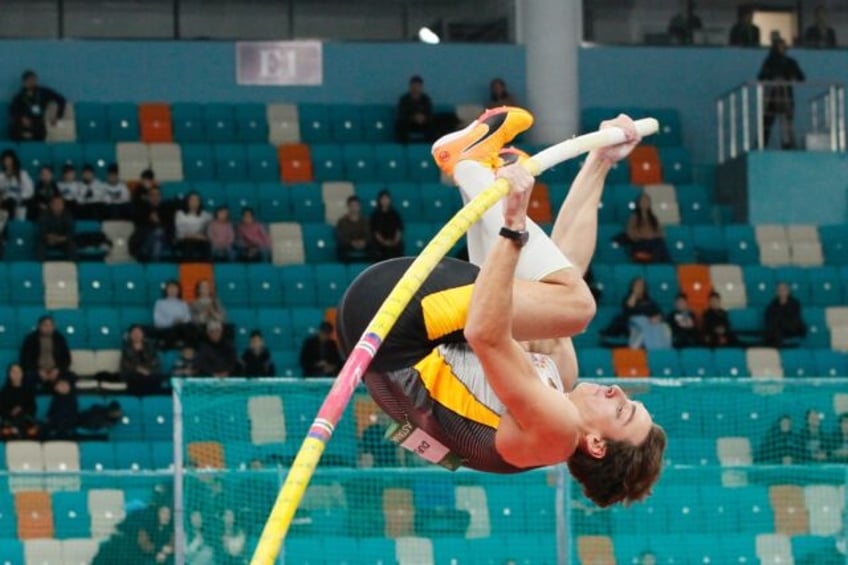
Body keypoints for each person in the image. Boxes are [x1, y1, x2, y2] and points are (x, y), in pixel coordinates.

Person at [338, 108, 665, 507]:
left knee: (577, 307)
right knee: (559, 303)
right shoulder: (558, 381)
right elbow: (564, 266)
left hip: (393, 330)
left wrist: (515, 224)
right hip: (394, 323)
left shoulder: (556, 434)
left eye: (624, 412)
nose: (618, 392)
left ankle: (472, 166)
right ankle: (475, 170)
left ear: (596, 444)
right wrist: (600, 161)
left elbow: (485, 333)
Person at [758, 38, 805, 150]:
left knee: (786, 122)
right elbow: (761, 76)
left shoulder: (790, 62)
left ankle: (787, 145)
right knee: (768, 122)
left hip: (785, 96)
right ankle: (762, 144)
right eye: (779, 46)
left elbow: (801, 77)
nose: (781, 49)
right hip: (772, 96)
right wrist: (773, 78)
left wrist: (789, 79)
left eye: (783, 46)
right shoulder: (769, 61)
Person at [8, 70, 66, 141]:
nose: (32, 82)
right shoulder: (19, 96)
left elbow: (61, 100)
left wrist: (58, 116)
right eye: (29, 81)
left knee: (39, 132)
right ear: (24, 82)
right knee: (14, 130)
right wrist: (20, 119)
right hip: (23, 124)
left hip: (38, 124)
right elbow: (13, 111)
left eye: (33, 80)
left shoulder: (44, 92)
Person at [19, 314, 72, 390]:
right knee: (27, 378)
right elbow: (25, 359)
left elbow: (67, 359)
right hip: (37, 371)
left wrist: (57, 369)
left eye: (51, 325)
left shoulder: (60, 338)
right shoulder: (30, 339)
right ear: (39, 326)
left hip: (55, 371)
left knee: (71, 378)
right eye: (45, 325)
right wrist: (38, 370)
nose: (48, 328)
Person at [620, 278, 672, 350]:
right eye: (637, 285)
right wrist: (634, 294)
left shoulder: (649, 301)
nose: (639, 287)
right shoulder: (628, 298)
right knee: (645, 321)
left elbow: (660, 313)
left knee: (664, 326)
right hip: (635, 322)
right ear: (632, 287)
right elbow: (628, 309)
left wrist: (657, 317)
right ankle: (654, 350)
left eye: (641, 285)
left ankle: (664, 351)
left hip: (652, 322)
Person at [130, 186, 173, 262]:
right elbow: (139, 228)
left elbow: (170, 228)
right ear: (148, 197)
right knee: (157, 243)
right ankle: (154, 265)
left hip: (164, 241)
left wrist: (158, 222)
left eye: (157, 195)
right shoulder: (142, 210)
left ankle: (146, 254)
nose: (155, 197)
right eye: (152, 195)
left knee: (159, 233)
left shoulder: (166, 209)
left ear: (161, 197)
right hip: (145, 240)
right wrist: (149, 219)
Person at [626, 192, 671, 263]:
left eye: (647, 201)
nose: (645, 203)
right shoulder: (634, 217)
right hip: (640, 242)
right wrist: (643, 235)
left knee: (659, 243)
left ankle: (666, 264)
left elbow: (661, 232)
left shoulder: (653, 218)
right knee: (657, 246)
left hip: (653, 241)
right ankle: (661, 263)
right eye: (643, 201)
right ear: (639, 203)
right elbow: (630, 232)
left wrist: (652, 235)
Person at [119, 325, 165, 395]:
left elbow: (155, 362)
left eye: (138, 333)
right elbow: (125, 365)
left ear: (143, 334)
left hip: (149, 373)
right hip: (133, 375)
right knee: (137, 380)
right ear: (130, 335)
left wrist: (148, 371)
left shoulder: (150, 347)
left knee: (154, 379)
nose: (136, 335)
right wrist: (139, 369)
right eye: (134, 333)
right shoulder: (126, 349)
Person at [153, 280, 195, 349]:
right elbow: (157, 321)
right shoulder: (160, 303)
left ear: (178, 290)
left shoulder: (183, 303)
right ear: (166, 290)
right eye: (170, 288)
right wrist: (172, 321)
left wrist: (181, 321)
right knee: (171, 330)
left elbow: (188, 318)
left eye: (175, 288)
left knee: (191, 327)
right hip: (167, 328)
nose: (172, 290)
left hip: (181, 328)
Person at [0, 363, 38, 439]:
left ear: (22, 374)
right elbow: (1, 410)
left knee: (34, 429)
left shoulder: (28, 391)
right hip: (9, 421)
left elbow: (33, 408)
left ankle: (18, 431)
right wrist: (11, 412)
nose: (16, 374)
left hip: (25, 420)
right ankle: (17, 431)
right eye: (13, 372)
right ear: (9, 374)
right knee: (5, 430)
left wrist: (21, 410)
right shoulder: (4, 392)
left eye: (18, 372)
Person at [764, 282, 806, 347]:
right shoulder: (772, 305)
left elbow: (794, 318)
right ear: (776, 292)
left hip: (791, 327)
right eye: (780, 290)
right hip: (778, 329)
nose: (782, 292)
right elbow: (769, 319)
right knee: (774, 328)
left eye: (784, 290)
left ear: (788, 291)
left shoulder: (794, 303)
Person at [395, 75, 433, 143]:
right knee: (400, 125)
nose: (416, 88)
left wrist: (423, 118)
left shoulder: (426, 99)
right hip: (408, 123)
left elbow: (429, 113)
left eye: (418, 86)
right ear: (410, 87)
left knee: (433, 126)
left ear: (421, 87)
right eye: (414, 86)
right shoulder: (404, 99)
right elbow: (401, 114)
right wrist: (413, 118)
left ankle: (429, 146)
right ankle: (404, 147)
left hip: (423, 124)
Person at [37, 194, 76, 261]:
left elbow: (70, 232)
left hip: (62, 240)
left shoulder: (68, 215)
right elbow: (42, 231)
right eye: (55, 204)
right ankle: (41, 265)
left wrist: (59, 239)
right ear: (51, 205)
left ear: (63, 206)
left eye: (60, 204)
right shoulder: (44, 215)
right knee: (40, 244)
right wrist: (49, 237)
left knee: (71, 245)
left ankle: (71, 265)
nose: (57, 206)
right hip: (48, 239)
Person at [175, 192, 211, 261]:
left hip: (199, 240)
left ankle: (206, 269)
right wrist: (196, 236)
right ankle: (187, 269)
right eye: (192, 200)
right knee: (189, 244)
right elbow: (181, 232)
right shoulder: (180, 214)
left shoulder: (204, 215)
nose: (194, 203)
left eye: (197, 200)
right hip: (183, 240)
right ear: (187, 201)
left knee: (207, 244)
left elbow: (216, 220)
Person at [335, 195, 371, 263]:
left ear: (359, 207)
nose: (354, 208)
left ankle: (370, 270)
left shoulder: (365, 220)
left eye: (356, 205)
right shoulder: (342, 221)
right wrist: (352, 243)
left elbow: (368, 234)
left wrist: (363, 242)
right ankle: (345, 270)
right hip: (348, 244)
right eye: (352, 206)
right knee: (340, 248)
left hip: (363, 244)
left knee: (374, 248)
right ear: (348, 207)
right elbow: (341, 236)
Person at [0, 149, 34, 220]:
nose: (7, 162)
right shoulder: (2, 176)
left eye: (9, 159)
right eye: (5, 160)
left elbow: (30, 191)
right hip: (6, 202)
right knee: (8, 202)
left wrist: (19, 198)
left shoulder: (22, 174)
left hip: (21, 200)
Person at [370, 190, 404, 260]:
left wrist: (394, 241)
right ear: (379, 200)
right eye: (383, 199)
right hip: (380, 244)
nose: (385, 201)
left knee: (398, 248)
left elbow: (399, 230)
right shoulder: (375, 215)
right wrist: (384, 242)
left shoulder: (395, 214)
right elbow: (375, 232)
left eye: (387, 198)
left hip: (393, 242)